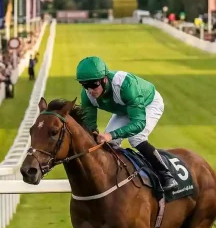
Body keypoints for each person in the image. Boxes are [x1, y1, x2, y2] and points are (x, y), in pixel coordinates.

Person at [75, 56, 178, 191]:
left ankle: (167, 175)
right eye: (85, 85)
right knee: (107, 145)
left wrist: (111, 134)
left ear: (104, 79)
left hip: (148, 103)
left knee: (136, 138)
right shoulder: (87, 95)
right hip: (124, 109)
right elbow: (90, 127)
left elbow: (139, 123)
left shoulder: (125, 84)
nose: (90, 90)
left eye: (93, 85)